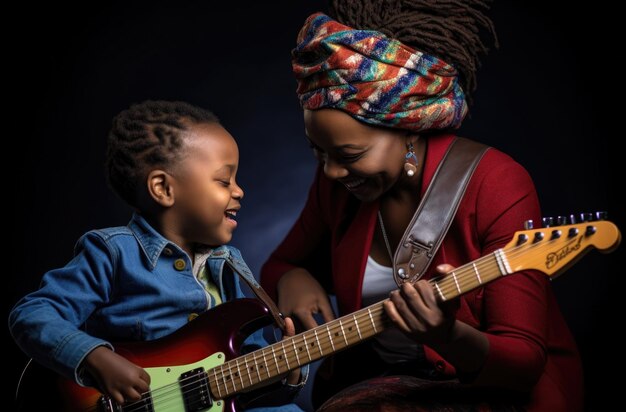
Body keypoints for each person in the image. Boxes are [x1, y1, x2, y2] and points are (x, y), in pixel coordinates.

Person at [260, 1, 583, 411]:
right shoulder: (338, 186)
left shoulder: (497, 183)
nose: (331, 172)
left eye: (349, 154)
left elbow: (523, 363)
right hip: (377, 388)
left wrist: (447, 336)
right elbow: (276, 267)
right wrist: (294, 277)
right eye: (317, 153)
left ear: (409, 129)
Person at [9, 100, 306, 411]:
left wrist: (286, 370)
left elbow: (245, 371)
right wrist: (94, 357)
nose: (239, 191)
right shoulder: (113, 252)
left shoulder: (227, 264)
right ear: (163, 188)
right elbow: (31, 315)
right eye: (223, 181)